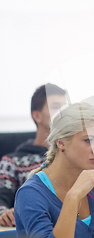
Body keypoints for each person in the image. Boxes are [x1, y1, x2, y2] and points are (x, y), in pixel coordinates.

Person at [14, 103, 94, 238]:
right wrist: (73, 197)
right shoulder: (30, 194)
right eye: (88, 140)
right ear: (61, 142)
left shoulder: (90, 184)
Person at [0, 83, 67, 227]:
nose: (63, 113)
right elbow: (1, 199)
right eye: (56, 107)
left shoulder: (75, 156)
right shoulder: (12, 162)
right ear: (37, 116)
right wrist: (4, 214)